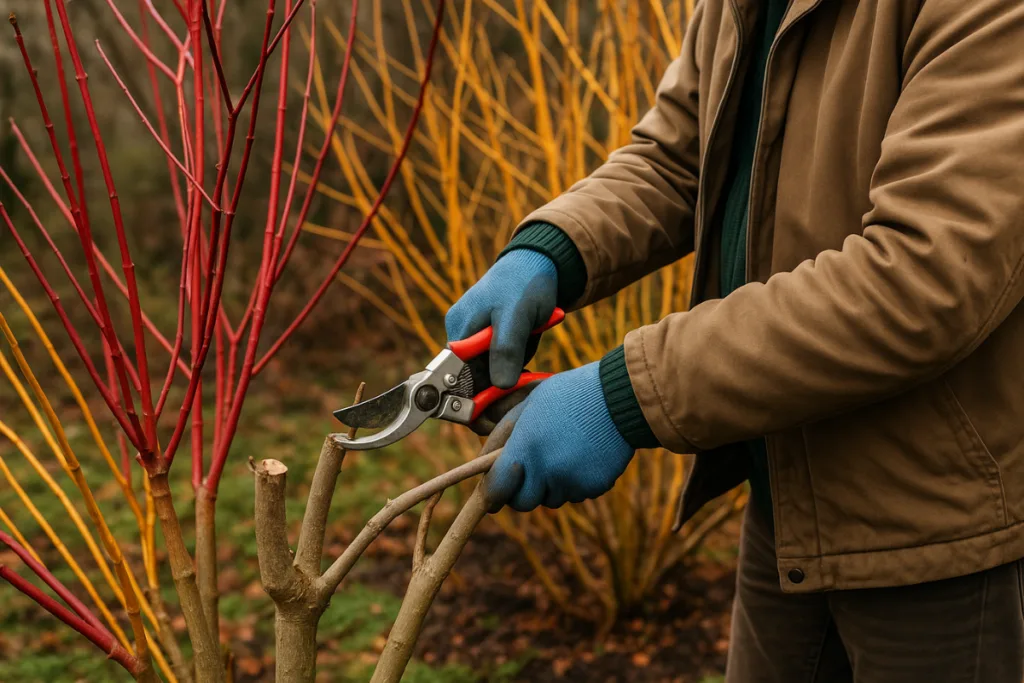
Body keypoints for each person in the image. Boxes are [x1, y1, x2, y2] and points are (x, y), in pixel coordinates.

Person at [445, 1, 1024, 681]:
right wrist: (554, 249)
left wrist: (626, 394)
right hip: (790, 494)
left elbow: (926, 278)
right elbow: (677, 155)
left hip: (941, 535)